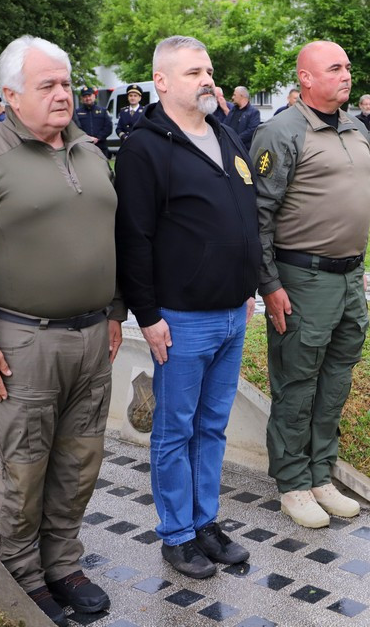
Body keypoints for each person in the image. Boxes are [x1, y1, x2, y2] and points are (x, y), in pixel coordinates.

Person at [0, 35, 125, 627]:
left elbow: (107, 233)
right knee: (26, 464)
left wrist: (114, 310)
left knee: (81, 456)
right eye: (48, 85)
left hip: (92, 337)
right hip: (22, 343)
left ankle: (62, 561)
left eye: (66, 82)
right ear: (10, 94)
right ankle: (19, 570)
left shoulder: (90, 151)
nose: (63, 93)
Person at [114, 35, 260, 580]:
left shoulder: (225, 136)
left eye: (210, 70)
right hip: (180, 319)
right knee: (175, 429)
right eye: (195, 71)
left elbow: (247, 218)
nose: (207, 79)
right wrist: (148, 316)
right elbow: (133, 238)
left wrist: (247, 288)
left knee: (212, 427)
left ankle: (205, 522)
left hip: (231, 313)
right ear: (162, 81)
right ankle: (176, 534)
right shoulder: (144, 148)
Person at [250, 40, 370, 529]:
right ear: (304, 77)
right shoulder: (281, 132)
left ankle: (322, 473)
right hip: (301, 279)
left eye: (347, 65)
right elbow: (258, 216)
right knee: (297, 381)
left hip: (349, 278)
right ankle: (293, 482)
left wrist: (357, 272)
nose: (346, 74)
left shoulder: (356, 127)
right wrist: (269, 285)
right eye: (335, 67)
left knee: (336, 378)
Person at [73, 87, 112, 158]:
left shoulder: (102, 111)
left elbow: (108, 127)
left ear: (94, 96)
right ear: (81, 99)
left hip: (101, 147)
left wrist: (98, 138)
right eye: (85, 96)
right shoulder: (77, 113)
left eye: (89, 96)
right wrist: (87, 138)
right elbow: (75, 128)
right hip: (84, 147)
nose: (87, 98)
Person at [224, 86, 260, 150]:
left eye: (234, 95)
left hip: (244, 149)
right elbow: (225, 125)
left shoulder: (253, 112)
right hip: (230, 147)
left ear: (241, 96)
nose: (232, 97)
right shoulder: (233, 110)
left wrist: (236, 139)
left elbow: (252, 130)